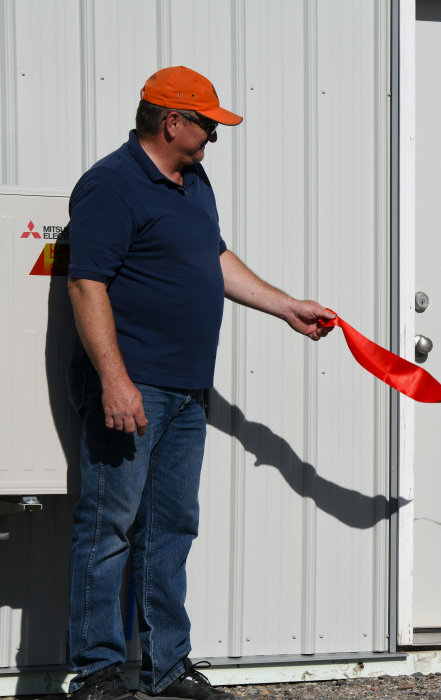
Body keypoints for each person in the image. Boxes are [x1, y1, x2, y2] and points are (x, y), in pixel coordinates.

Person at [65, 66, 335, 700]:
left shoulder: (192, 181)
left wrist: (284, 305)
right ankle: (98, 675)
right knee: (108, 527)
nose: (214, 136)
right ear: (172, 122)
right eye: (208, 126)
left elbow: (213, 258)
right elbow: (86, 284)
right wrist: (115, 380)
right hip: (132, 388)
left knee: (170, 529)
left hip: (187, 389)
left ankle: (168, 669)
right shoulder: (110, 185)